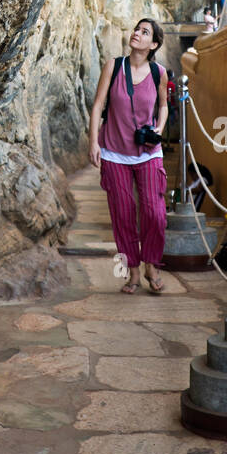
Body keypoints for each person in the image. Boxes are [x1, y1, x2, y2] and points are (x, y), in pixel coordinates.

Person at [88, 18, 169, 295]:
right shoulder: (114, 66)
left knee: (155, 213)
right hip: (113, 152)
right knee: (122, 216)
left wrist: (159, 127)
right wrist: (93, 142)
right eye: (137, 29)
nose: (137, 33)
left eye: (144, 32)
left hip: (148, 153)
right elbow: (98, 104)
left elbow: (163, 105)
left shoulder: (159, 72)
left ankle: (151, 265)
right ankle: (132, 272)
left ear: (153, 44)